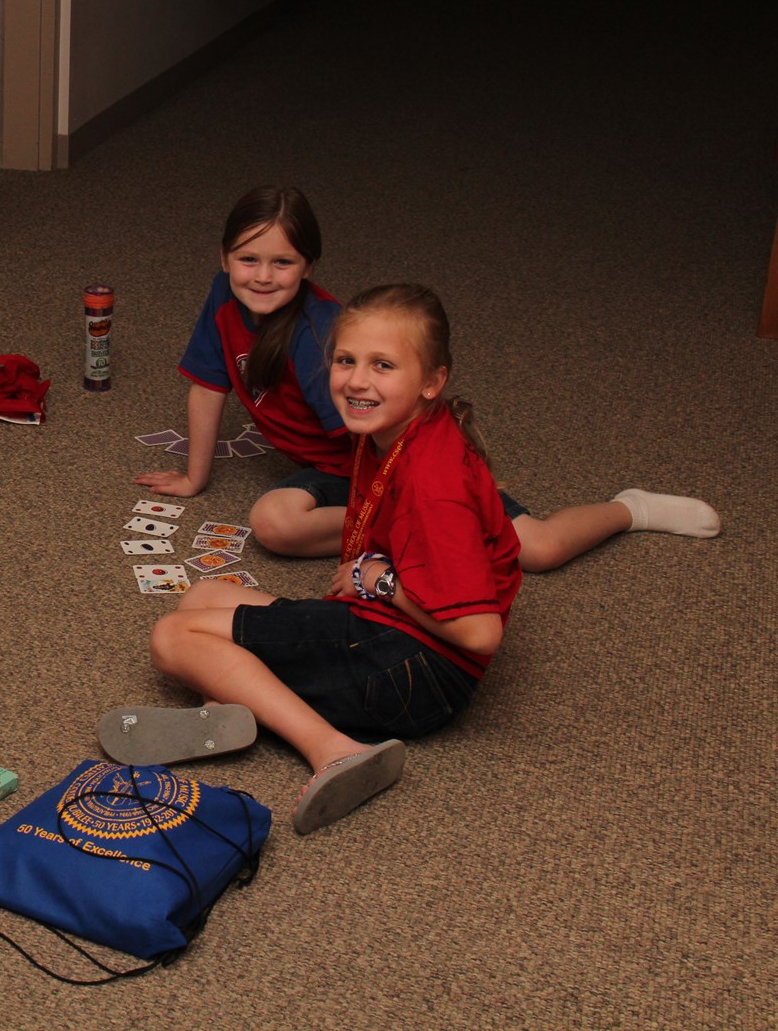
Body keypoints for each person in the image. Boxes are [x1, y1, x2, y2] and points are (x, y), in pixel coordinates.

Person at [103, 285, 520, 833]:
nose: (358, 381)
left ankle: (334, 748)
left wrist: (376, 580)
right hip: (390, 637)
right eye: (346, 361)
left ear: (432, 381)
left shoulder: (432, 484)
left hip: (414, 671)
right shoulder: (395, 432)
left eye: (383, 365)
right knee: (202, 597)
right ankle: (239, 705)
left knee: (172, 639)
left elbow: (480, 633)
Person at [134, 186, 720, 571]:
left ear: (309, 266)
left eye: (282, 262)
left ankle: (630, 508)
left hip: (402, 458)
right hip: (337, 469)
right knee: (272, 524)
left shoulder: (322, 337)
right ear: (223, 258)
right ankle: (407, 529)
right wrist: (194, 477)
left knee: (538, 550)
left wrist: (420, 513)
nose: (262, 277)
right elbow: (209, 384)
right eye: (248, 260)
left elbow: (383, 432)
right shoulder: (222, 296)